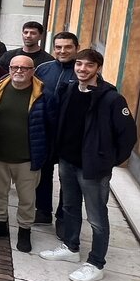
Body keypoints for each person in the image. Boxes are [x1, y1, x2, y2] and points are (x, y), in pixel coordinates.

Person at [39, 49, 137, 281]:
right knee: (70, 207)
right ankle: (71, 247)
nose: (82, 69)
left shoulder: (111, 98)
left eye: (89, 66)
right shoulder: (71, 89)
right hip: (67, 161)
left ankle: (96, 263)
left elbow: (128, 135)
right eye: (79, 64)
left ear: (98, 68)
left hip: (92, 168)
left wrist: (107, 160)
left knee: (97, 217)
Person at [0, 55, 49, 253]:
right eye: (15, 67)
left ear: (33, 71)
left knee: (27, 198)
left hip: (27, 158)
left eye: (24, 68)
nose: (19, 71)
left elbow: (50, 126)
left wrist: (44, 154)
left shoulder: (43, 94)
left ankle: (24, 230)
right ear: (9, 69)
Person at [33, 31, 80, 232]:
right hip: (45, 130)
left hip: (71, 135)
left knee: (67, 177)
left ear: (76, 48)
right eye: (58, 47)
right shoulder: (43, 69)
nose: (62, 51)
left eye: (67, 47)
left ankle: (63, 216)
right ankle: (43, 210)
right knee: (42, 173)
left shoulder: (82, 69)